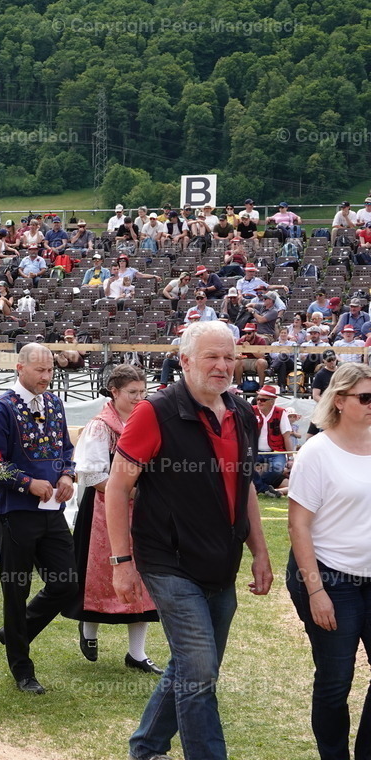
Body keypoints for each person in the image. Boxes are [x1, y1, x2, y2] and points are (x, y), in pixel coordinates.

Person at [107, 321, 273, 760]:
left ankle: (146, 747)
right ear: (184, 362)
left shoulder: (239, 411)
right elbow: (118, 487)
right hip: (168, 561)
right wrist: (121, 562)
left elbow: (247, 487)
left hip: (221, 562)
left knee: (193, 665)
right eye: (211, 357)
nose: (222, 366)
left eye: (229, 357)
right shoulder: (154, 411)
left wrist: (260, 551)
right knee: (200, 670)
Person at [0, 343, 78, 695]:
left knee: (67, 582)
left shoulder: (54, 403)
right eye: (39, 370)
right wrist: (27, 483)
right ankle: (22, 668)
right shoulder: (0, 410)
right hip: (13, 511)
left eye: (50, 370)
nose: (46, 376)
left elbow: (66, 448)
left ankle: (14, 632)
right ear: (20, 368)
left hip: (52, 510)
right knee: (16, 589)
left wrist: (67, 475)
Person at [286, 362, 371, 760]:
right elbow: (298, 526)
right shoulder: (316, 453)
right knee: (337, 680)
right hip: (330, 576)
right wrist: (316, 590)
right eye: (365, 398)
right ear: (339, 401)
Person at [64, 365, 161, 674]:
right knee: (101, 575)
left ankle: (137, 653)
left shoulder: (145, 422)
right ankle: (89, 631)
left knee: (143, 576)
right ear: (114, 392)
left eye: (142, 393)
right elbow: (90, 474)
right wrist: (127, 493)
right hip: (104, 509)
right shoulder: (100, 426)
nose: (138, 398)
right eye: (132, 393)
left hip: (142, 512)